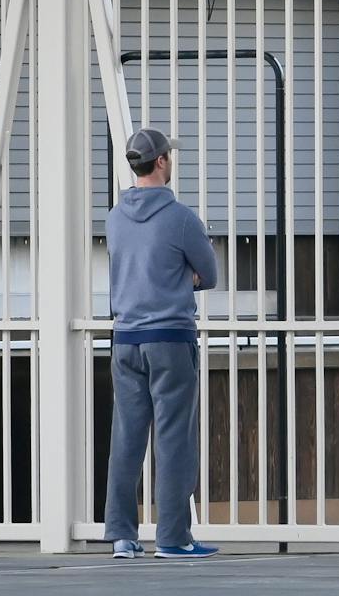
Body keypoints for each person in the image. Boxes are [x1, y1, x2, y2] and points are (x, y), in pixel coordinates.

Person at [103, 127, 221, 560]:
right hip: (170, 338)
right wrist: (182, 277)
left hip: (125, 339)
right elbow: (209, 275)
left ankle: (121, 536)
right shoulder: (181, 219)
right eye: (169, 155)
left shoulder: (114, 218)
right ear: (160, 162)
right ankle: (173, 538)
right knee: (174, 439)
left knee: (126, 438)